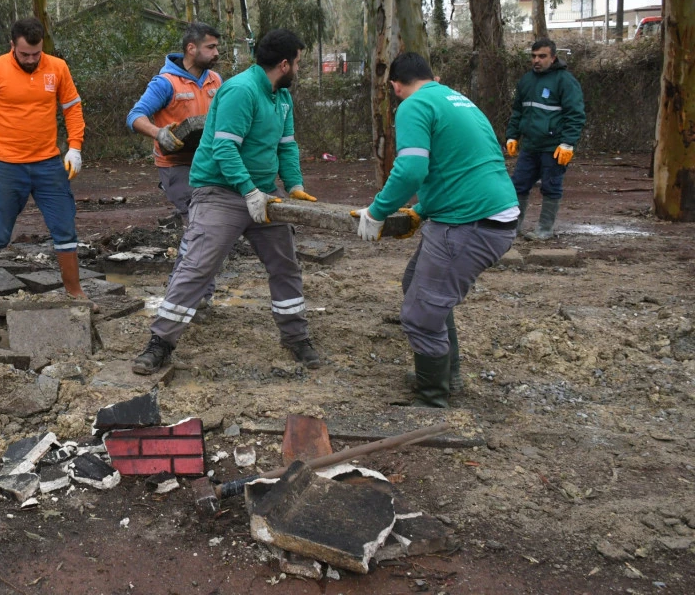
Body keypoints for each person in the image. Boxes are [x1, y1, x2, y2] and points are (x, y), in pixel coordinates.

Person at [132, 28, 320, 376]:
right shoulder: (240, 91)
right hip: (220, 193)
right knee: (197, 267)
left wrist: (293, 186)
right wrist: (249, 192)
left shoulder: (281, 97)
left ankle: (297, 337)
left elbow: (286, 146)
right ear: (284, 64)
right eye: (298, 62)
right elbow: (224, 148)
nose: (299, 67)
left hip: (263, 195)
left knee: (285, 265)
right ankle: (160, 342)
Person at [354, 52, 519, 407]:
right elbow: (460, 164)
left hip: (469, 223)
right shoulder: (460, 102)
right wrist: (419, 210)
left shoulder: (413, 105)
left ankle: (433, 399)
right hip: (488, 215)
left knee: (420, 315)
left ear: (396, 86)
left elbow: (412, 169)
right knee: (416, 284)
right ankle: (446, 375)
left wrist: (378, 212)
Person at [0, 17, 87, 301]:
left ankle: (75, 291)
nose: (32, 59)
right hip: (8, 166)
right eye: (25, 54)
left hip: (49, 165)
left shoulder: (57, 67)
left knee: (64, 228)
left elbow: (72, 108)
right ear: (12, 46)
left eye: (36, 53)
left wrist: (75, 147)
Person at [126, 22, 223, 303]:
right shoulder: (165, 83)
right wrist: (159, 133)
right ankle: (186, 296)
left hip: (209, 165)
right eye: (211, 47)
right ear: (191, 49)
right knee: (199, 229)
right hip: (177, 167)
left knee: (207, 231)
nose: (217, 52)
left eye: (217, 47)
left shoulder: (215, 80)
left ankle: (194, 296)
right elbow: (135, 116)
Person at [505, 38, 586, 241]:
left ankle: (545, 229)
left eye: (542, 56)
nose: (536, 60)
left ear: (553, 57)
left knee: (551, 186)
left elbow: (575, 115)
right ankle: (513, 227)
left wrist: (568, 143)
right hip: (531, 145)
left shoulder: (565, 81)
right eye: (533, 56)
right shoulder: (526, 80)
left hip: (554, 147)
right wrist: (512, 135)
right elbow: (518, 111)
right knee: (519, 185)